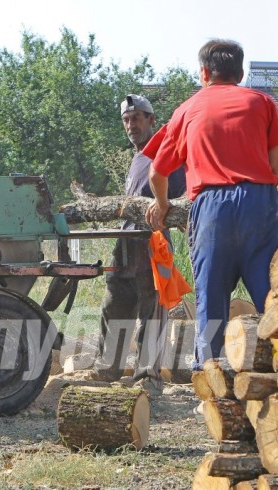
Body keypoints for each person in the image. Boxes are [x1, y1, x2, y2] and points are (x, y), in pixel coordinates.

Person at [145, 39, 278, 374]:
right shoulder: (262, 102)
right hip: (260, 202)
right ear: (240, 72)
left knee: (210, 302)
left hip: (211, 209)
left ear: (204, 72)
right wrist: (259, 188)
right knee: (277, 296)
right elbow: (276, 162)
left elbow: (157, 173)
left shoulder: (187, 110)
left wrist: (163, 204)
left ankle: (208, 381)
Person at [86, 94, 186, 394]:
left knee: (151, 309)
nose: (131, 125)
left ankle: (147, 379)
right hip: (125, 242)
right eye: (126, 120)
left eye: (136, 119)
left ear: (150, 120)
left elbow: (180, 199)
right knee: (115, 302)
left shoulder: (164, 153)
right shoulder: (138, 157)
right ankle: (107, 368)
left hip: (152, 244)